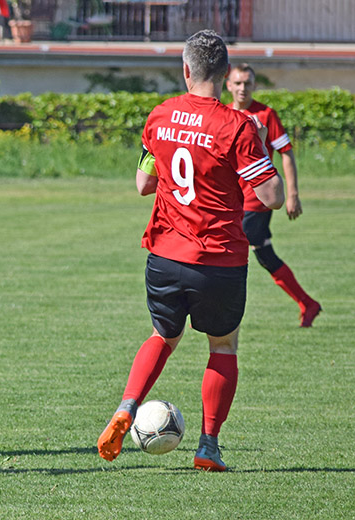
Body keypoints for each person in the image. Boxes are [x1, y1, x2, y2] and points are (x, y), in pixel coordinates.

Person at [96, 30, 285, 472]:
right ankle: (208, 447)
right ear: (224, 74)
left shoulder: (159, 116)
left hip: (164, 255)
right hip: (219, 259)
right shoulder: (237, 125)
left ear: (185, 70)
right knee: (223, 345)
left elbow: (144, 184)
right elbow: (273, 196)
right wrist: (257, 144)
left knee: (164, 335)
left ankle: (127, 406)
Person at [225, 63, 321, 327]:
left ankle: (213, 310)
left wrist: (293, 195)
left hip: (257, 201)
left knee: (225, 250)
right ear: (228, 85)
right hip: (232, 201)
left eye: (247, 83)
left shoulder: (266, 115)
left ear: (254, 85)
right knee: (264, 254)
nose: (243, 88)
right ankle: (307, 303)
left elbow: (286, 152)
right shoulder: (223, 115)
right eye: (238, 83)